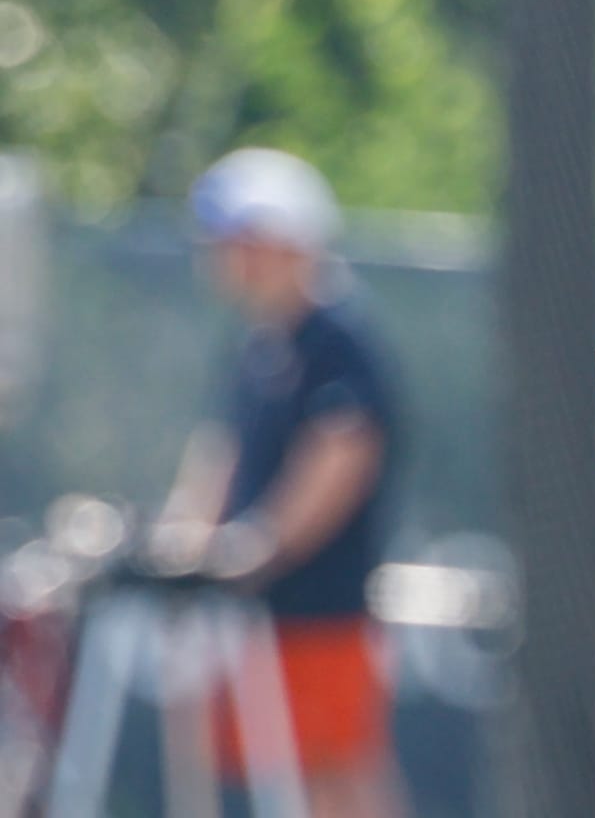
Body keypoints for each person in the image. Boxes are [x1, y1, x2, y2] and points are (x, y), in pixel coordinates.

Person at [154, 147, 408, 817]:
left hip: (320, 606)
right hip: (258, 612)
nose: (229, 258)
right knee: (272, 768)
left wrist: (256, 548)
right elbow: (223, 449)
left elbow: (342, 452)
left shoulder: (337, 337)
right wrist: (187, 539)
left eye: (246, 241)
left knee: (335, 773)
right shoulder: (260, 342)